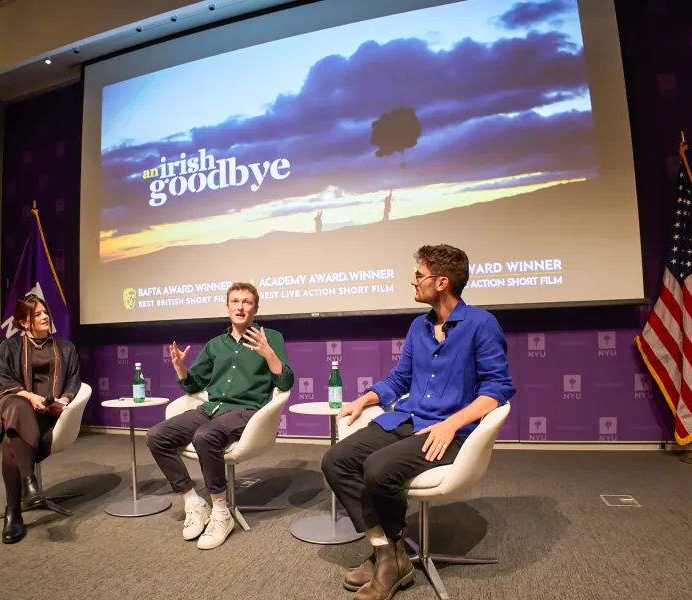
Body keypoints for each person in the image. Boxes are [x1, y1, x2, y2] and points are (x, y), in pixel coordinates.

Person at [321, 244, 516, 600]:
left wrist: (451, 424)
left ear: (442, 282)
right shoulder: (419, 326)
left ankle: (389, 564)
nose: (413, 282)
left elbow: (498, 389)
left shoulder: (481, 324)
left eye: (419, 275)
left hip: (450, 430)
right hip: (409, 418)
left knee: (378, 469)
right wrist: (363, 399)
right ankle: (387, 552)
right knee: (336, 460)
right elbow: (400, 379)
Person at [146, 282, 294, 550]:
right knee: (157, 436)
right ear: (227, 307)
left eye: (247, 302)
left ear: (255, 307)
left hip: (247, 411)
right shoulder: (216, 345)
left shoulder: (270, 337)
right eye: (235, 301)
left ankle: (221, 512)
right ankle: (193, 501)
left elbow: (285, 382)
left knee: (206, 436)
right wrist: (180, 368)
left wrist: (268, 354)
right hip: (211, 409)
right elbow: (193, 385)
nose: (240, 307)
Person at [0, 294, 81, 544]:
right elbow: (2, 381)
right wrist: (29, 396)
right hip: (12, 405)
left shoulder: (65, 348)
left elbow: (73, 382)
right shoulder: (8, 348)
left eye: (45, 312)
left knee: (13, 438)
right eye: (37, 314)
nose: (45, 317)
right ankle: (29, 484)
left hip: (46, 413)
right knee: (17, 406)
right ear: (23, 322)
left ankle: (14, 512)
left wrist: (61, 402)